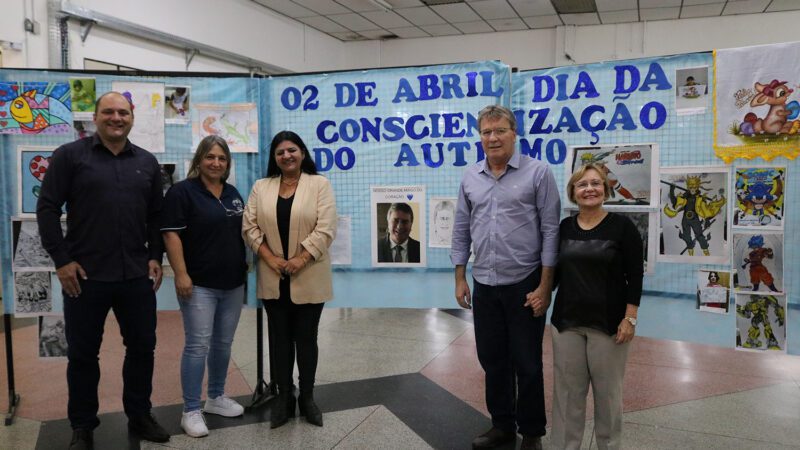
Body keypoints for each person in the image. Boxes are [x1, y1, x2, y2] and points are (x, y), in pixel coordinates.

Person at [36, 92, 169, 449]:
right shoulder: (70, 157)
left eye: (123, 112)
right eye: (108, 112)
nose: (116, 117)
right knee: (82, 355)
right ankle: (82, 426)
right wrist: (61, 260)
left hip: (135, 276)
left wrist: (155, 254)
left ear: (132, 118)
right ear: (95, 117)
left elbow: (157, 216)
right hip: (84, 277)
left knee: (142, 349)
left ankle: (139, 416)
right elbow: (47, 209)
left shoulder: (147, 162)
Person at [451, 105, 560, 450]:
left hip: (525, 283)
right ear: (480, 136)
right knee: (492, 360)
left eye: (499, 130)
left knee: (527, 362)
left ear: (514, 133)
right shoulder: (470, 176)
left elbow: (550, 231)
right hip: (484, 283)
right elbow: (461, 229)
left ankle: (531, 432)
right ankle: (502, 425)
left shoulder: (538, 173)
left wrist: (545, 286)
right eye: (486, 132)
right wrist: (459, 277)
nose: (492, 138)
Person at [242, 130, 337, 429]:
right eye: (280, 152)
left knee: (307, 340)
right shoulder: (262, 186)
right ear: (274, 158)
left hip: (309, 274)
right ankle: (284, 398)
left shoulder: (319, 184)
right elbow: (249, 227)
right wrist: (271, 259)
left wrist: (300, 259)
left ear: (303, 153)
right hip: (274, 277)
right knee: (279, 341)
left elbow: (326, 227)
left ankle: (307, 397)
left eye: (292, 150)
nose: (287, 156)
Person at [549, 163, 644, 450]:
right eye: (582, 184)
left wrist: (630, 318)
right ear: (573, 192)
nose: (589, 189)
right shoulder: (564, 228)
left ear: (605, 189)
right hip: (566, 324)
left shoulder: (622, 227)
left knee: (608, 397)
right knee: (567, 397)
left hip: (609, 326)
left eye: (595, 183)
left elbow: (635, 275)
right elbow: (553, 272)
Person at [161, 135, 247, 438]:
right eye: (210, 157)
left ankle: (215, 397)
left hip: (233, 284)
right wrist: (181, 274)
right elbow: (171, 235)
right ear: (199, 160)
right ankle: (191, 410)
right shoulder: (182, 192)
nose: (216, 163)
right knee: (198, 345)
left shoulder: (233, 193)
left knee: (223, 344)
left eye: (222, 159)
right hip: (199, 285)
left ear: (227, 164)